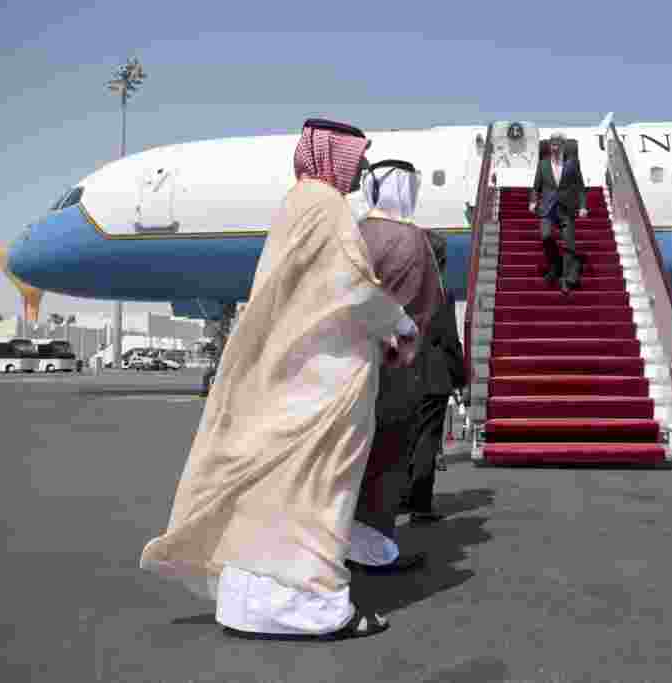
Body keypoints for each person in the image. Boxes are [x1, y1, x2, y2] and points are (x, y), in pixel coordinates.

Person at [140, 119, 424, 641]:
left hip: (293, 372)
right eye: (357, 157)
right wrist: (400, 325)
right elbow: (351, 286)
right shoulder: (328, 208)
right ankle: (312, 609)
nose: (363, 168)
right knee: (315, 491)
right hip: (323, 379)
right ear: (333, 158)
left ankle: (250, 605)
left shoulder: (297, 204)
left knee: (274, 491)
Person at [345, 159, 445, 574]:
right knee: (385, 463)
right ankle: (375, 550)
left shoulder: (351, 233)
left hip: (346, 365)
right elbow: (430, 305)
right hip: (395, 370)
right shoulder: (415, 240)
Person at [400, 231, 466, 523]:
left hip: (405, 371)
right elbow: (450, 341)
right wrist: (460, 378)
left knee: (407, 439)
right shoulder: (441, 294)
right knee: (428, 439)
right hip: (434, 375)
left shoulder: (402, 291)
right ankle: (421, 504)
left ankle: (400, 497)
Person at [529, 132, 588, 294]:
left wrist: (583, 206)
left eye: (557, 145)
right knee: (546, 236)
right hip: (547, 209)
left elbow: (581, 187)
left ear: (563, 146)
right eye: (552, 145)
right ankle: (556, 264)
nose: (554, 148)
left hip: (566, 209)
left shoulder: (572, 164)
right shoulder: (543, 165)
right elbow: (536, 187)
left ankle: (566, 280)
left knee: (569, 244)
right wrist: (533, 201)